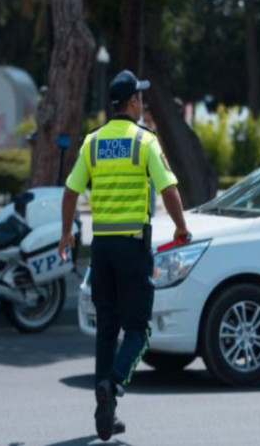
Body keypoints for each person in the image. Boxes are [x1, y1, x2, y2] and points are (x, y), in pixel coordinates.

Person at [58, 69, 190, 441]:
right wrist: (181, 227)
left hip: (101, 249)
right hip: (133, 249)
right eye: (141, 98)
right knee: (139, 330)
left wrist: (67, 232)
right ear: (132, 103)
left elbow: (70, 192)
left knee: (107, 331)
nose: (143, 103)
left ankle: (105, 416)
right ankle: (113, 384)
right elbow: (169, 190)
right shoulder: (144, 141)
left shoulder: (92, 142)